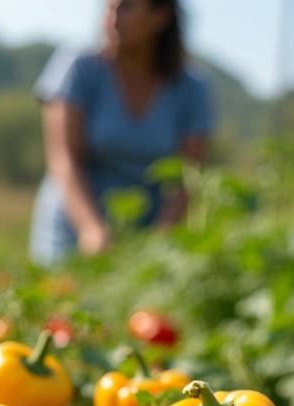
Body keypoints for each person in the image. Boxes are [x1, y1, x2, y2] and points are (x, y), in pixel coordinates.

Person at [29, 0, 213, 266]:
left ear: (158, 17)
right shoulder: (79, 68)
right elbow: (63, 160)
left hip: (147, 234)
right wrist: (91, 230)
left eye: (125, 8)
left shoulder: (192, 88)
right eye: (108, 8)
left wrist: (160, 238)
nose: (111, 19)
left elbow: (190, 176)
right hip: (74, 226)